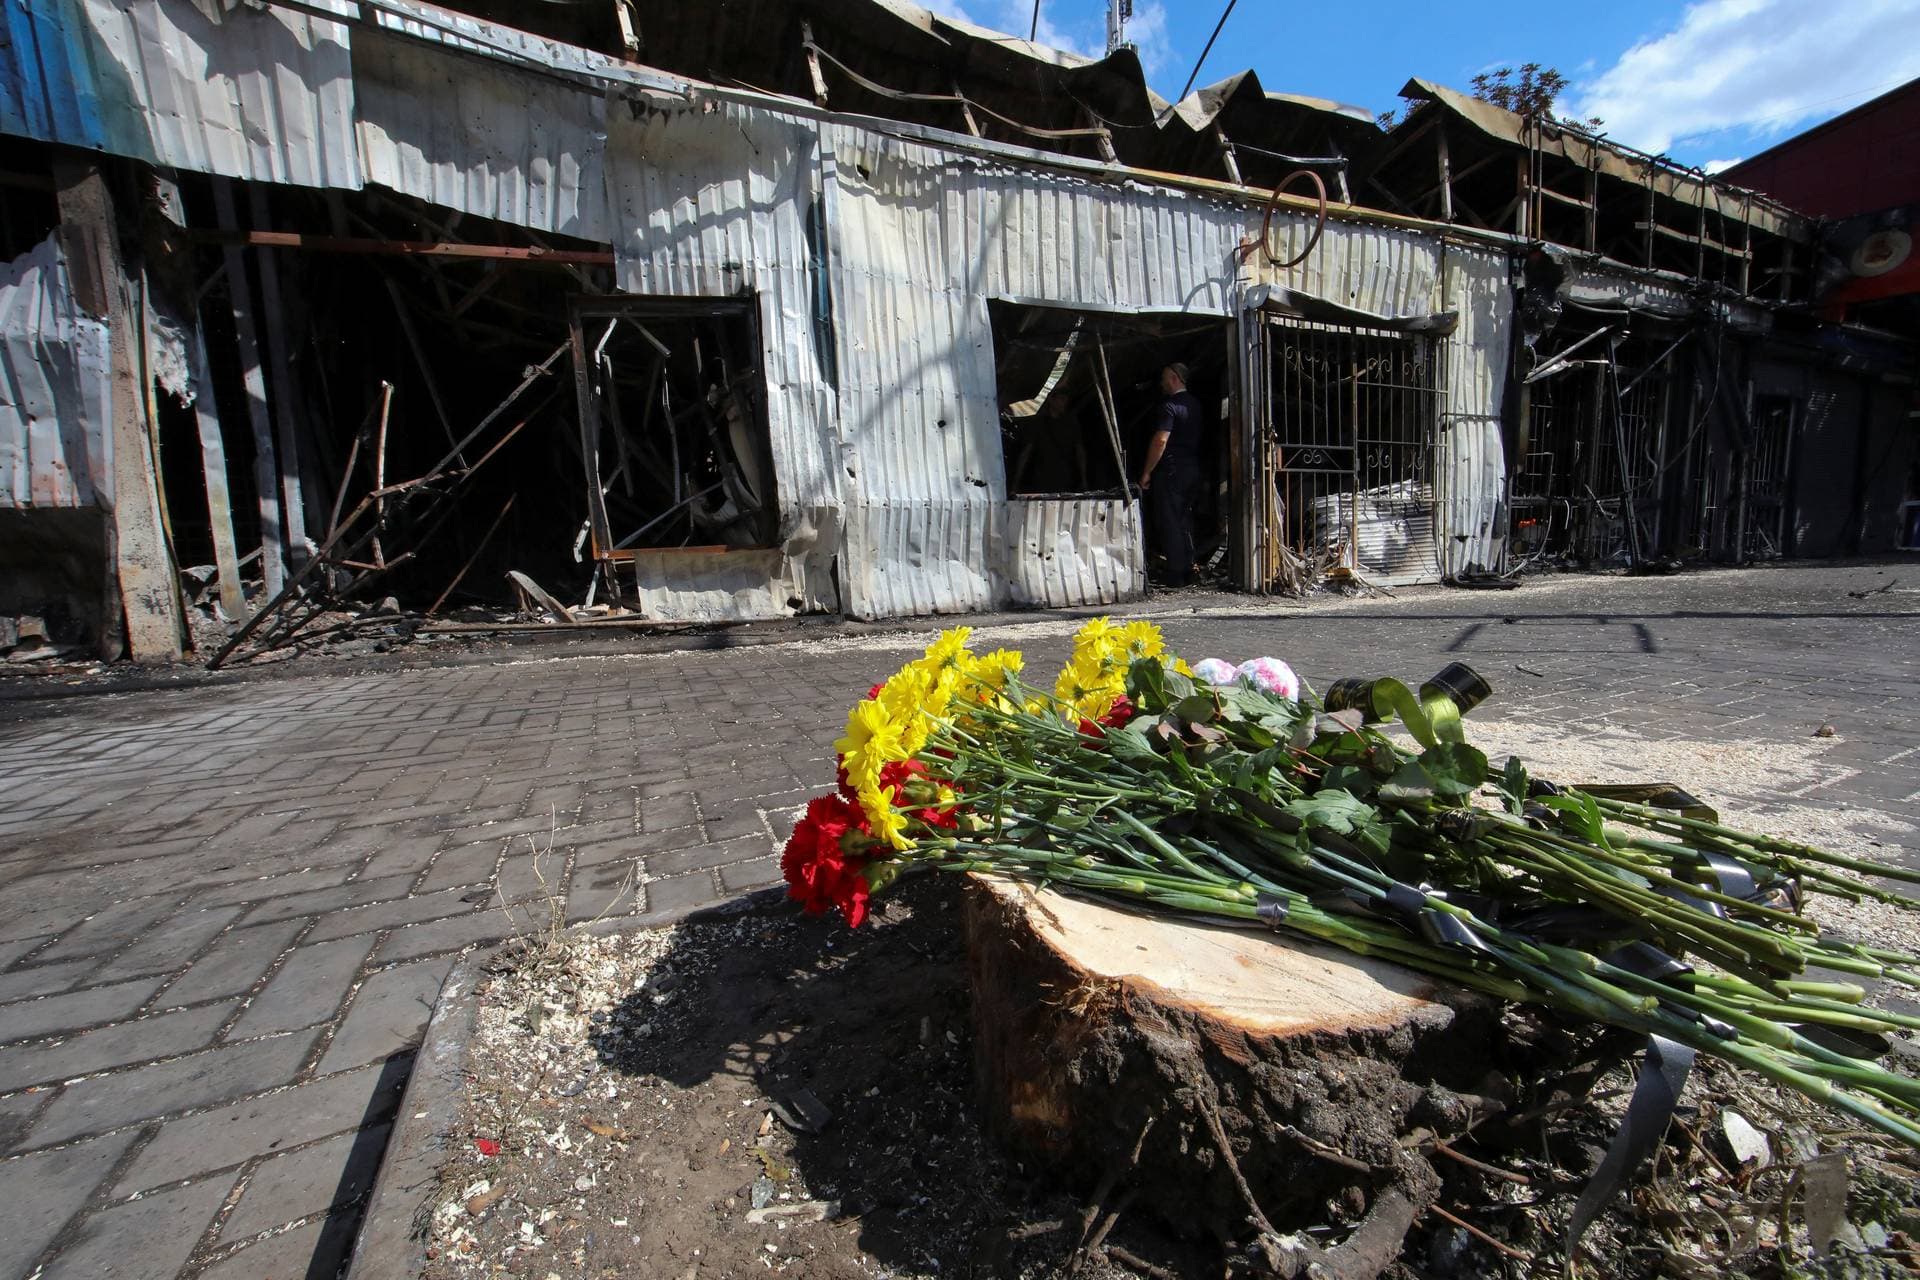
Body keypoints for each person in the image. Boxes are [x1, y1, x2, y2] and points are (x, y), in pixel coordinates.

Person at [1138, 362, 1202, 587]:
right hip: (1192, 469)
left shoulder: (1169, 406)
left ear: (1175, 379)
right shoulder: (1195, 405)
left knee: (1170, 521)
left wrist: (1147, 472)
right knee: (1185, 519)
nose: (1162, 383)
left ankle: (1176, 573)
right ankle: (1189, 565)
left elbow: (1161, 440)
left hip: (1172, 471)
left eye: (1165, 378)